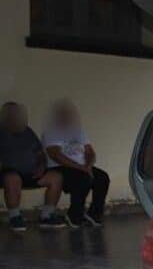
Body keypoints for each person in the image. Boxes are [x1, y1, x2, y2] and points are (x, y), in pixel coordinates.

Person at [43, 99, 109, 228]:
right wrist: (81, 168)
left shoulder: (79, 132)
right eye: (64, 114)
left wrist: (88, 166)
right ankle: (74, 215)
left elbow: (90, 152)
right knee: (83, 178)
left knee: (102, 178)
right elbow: (55, 155)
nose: (67, 117)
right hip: (61, 167)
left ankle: (94, 214)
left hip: (82, 167)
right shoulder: (51, 132)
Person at [0, 101, 65, 231]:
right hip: (9, 173)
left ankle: (47, 216)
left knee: (56, 177)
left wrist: (41, 166)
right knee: (12, 178)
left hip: (32, 173)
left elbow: (40, 154)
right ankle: (15, 217)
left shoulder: (27, 131)